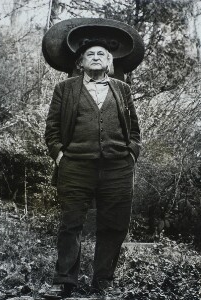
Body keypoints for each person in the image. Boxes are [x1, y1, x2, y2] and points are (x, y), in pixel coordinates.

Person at [44, 38, 141, 298]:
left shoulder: (122, 89)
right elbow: (52, 129)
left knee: (114, 225)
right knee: (71, 224)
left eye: (102, 54)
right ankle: (63, 282)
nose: (96, 57)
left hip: (117, 168)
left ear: (110, 61)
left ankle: (103, 283)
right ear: (80, 63)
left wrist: (131, 153)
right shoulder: (64, 89)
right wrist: (60, 156)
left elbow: (134, 130)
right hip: (75, 166)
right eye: (90, 54)